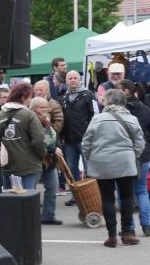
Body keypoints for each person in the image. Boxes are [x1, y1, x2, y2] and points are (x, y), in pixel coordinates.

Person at [82, 89, 145, 247]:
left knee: (107, 198)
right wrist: (132, 155)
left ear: (107, 102)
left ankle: (111, 236)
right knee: (126, 198)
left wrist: (91, 158)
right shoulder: (131, 119)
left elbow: (86, 143)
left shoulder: (97, 119)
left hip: (102, 162)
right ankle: (127, 233)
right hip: (126, 162)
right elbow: (140, 143)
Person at [60, 69, 98, 205]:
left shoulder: (89, 95)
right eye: (70, 78)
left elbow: (96, 115)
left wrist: (93, 134)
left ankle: (93, 196)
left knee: (89, 168)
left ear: (80, 80)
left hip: (85, 139)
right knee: (72, 169)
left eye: (75, 78)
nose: (73, 80)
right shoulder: (63, 98)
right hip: (69, 140)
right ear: (66, 81)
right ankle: (77, 196)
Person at [0, 84, 46, 190]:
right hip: (28, 166)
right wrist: (42, 155)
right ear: (24, 97)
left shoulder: (0, 114)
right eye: (30, 98)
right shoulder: (29, 114)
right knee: (27, 201)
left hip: (7, 165)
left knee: (10, 201)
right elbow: (38, 140)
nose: (30, 101)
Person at [119, 80, 150, 236]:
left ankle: (129, 227)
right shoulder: (145, 109)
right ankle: (147, 224)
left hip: (123, 155)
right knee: (142, 190)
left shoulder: (118, 111)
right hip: (143, 154)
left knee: (124, 193)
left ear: (125, 91)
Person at [29, 97, 63, 225]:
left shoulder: (47, 121)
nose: (45, 109)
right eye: (42, 107)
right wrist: (52, 149)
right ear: (34, 109)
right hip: (36, 160)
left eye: (46, 107)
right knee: (31, 191)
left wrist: (57, 146)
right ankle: (31, 217)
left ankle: (48, 216)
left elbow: (53, 136)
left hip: (50, 161)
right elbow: (37, 141)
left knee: (52, 188)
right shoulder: (30, 121)